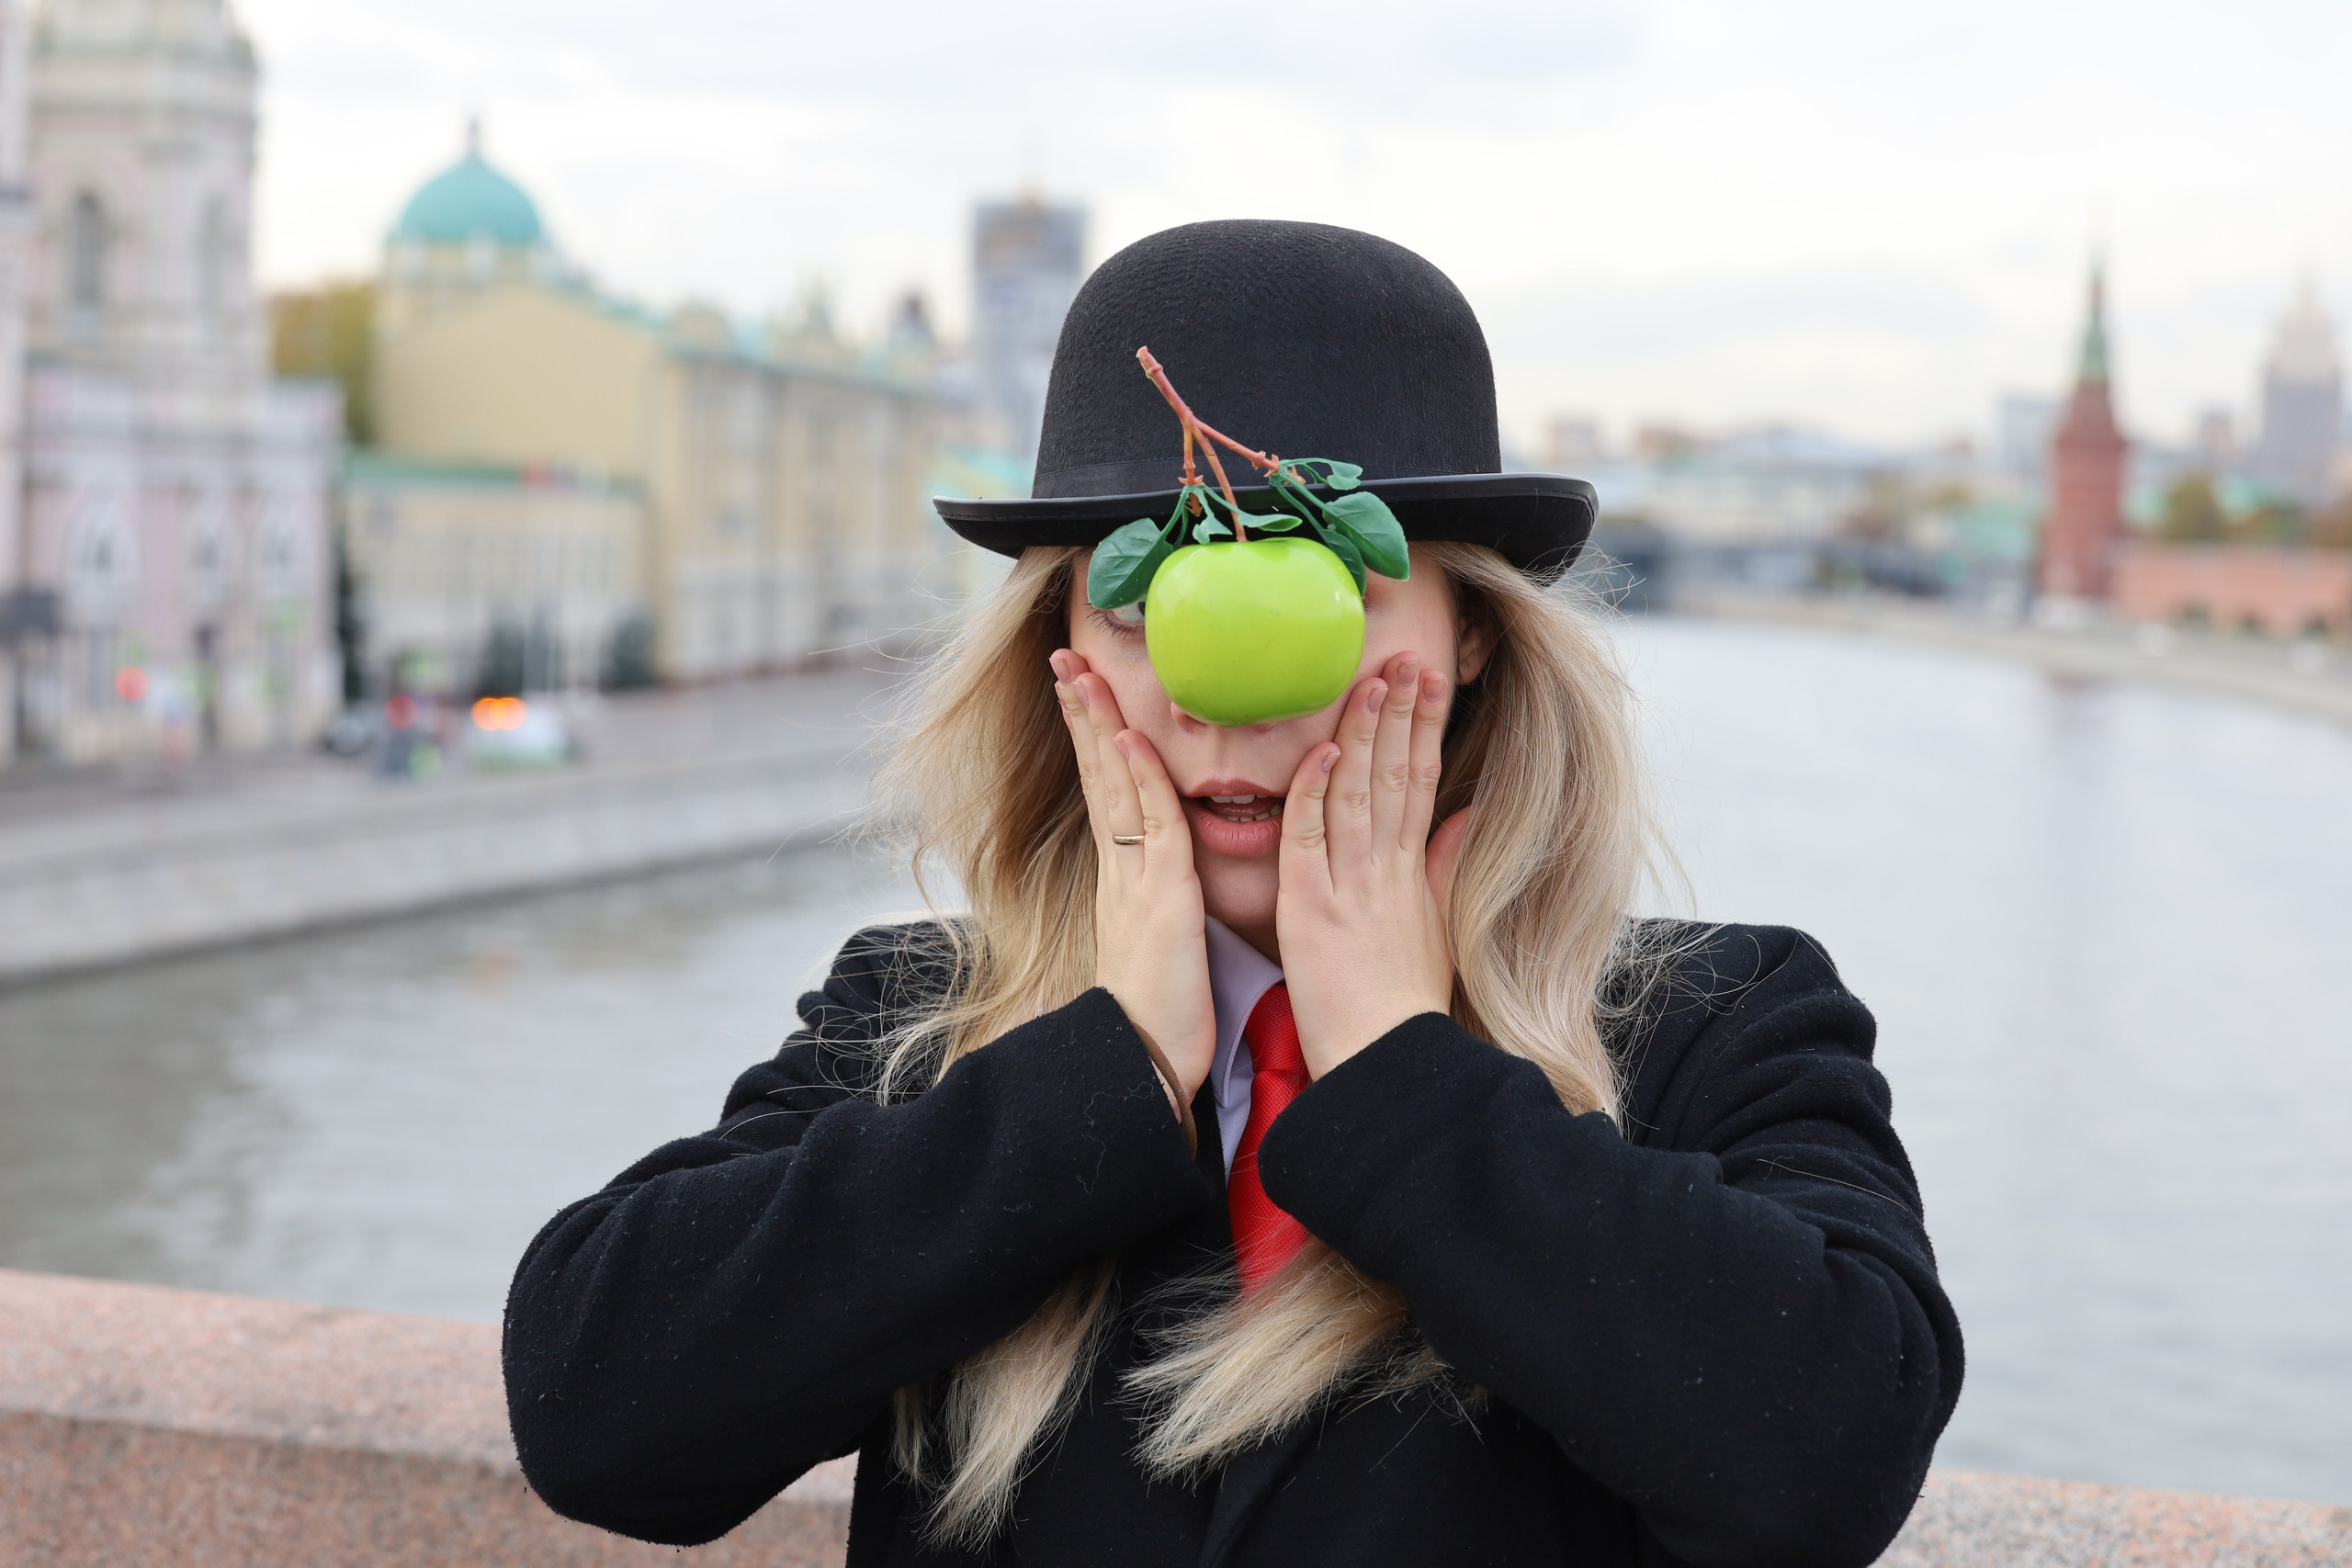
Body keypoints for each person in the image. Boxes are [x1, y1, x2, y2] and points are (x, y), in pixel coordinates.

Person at [503, 220, 1962, 1568]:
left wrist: (1402, 1066)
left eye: (1317, 609)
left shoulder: (1719, 1021)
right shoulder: (919, 1016)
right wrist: (1095, 1075)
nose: (1229, 705)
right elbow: (605, 1420)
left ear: (1476, 646)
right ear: (1052, 655)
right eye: (1144, 617)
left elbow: (1823, 1461)